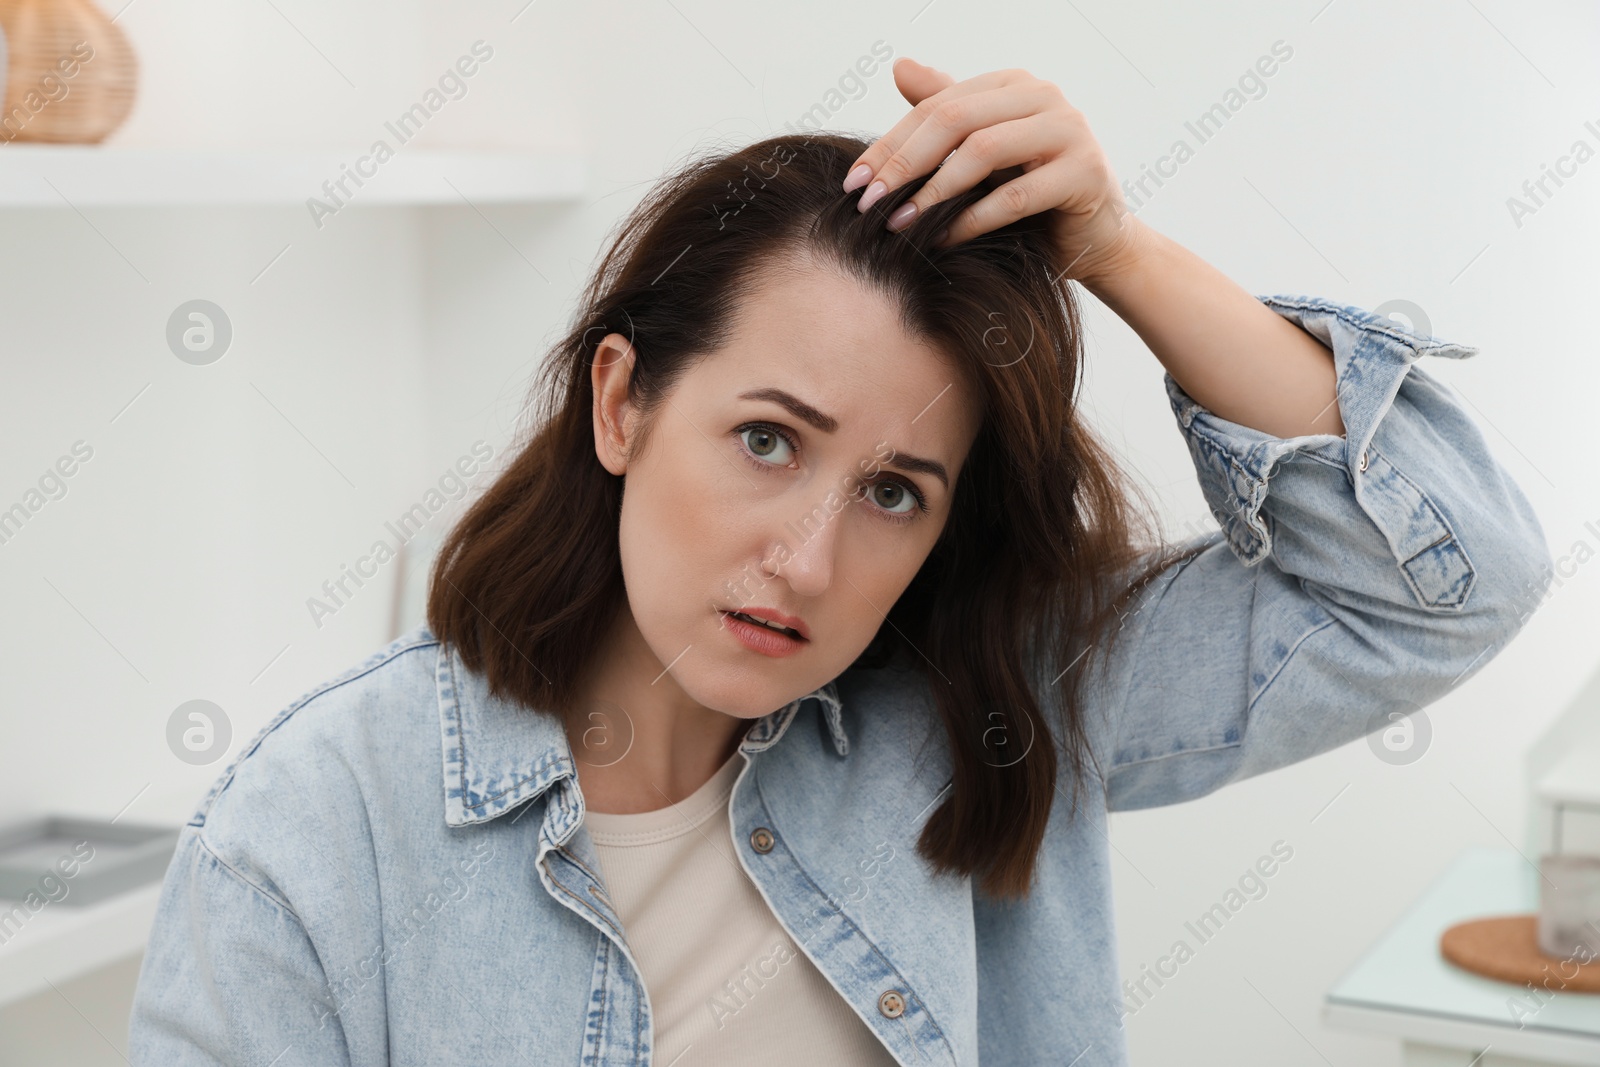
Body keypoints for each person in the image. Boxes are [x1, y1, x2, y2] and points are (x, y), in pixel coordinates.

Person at [127, 59, 1551, 1065]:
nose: (806, 562)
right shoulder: (314, 833)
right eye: (765, 440)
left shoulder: (987, 704)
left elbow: (1449, 577)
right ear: (621, 403)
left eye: (893, 490)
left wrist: (1115, 247)